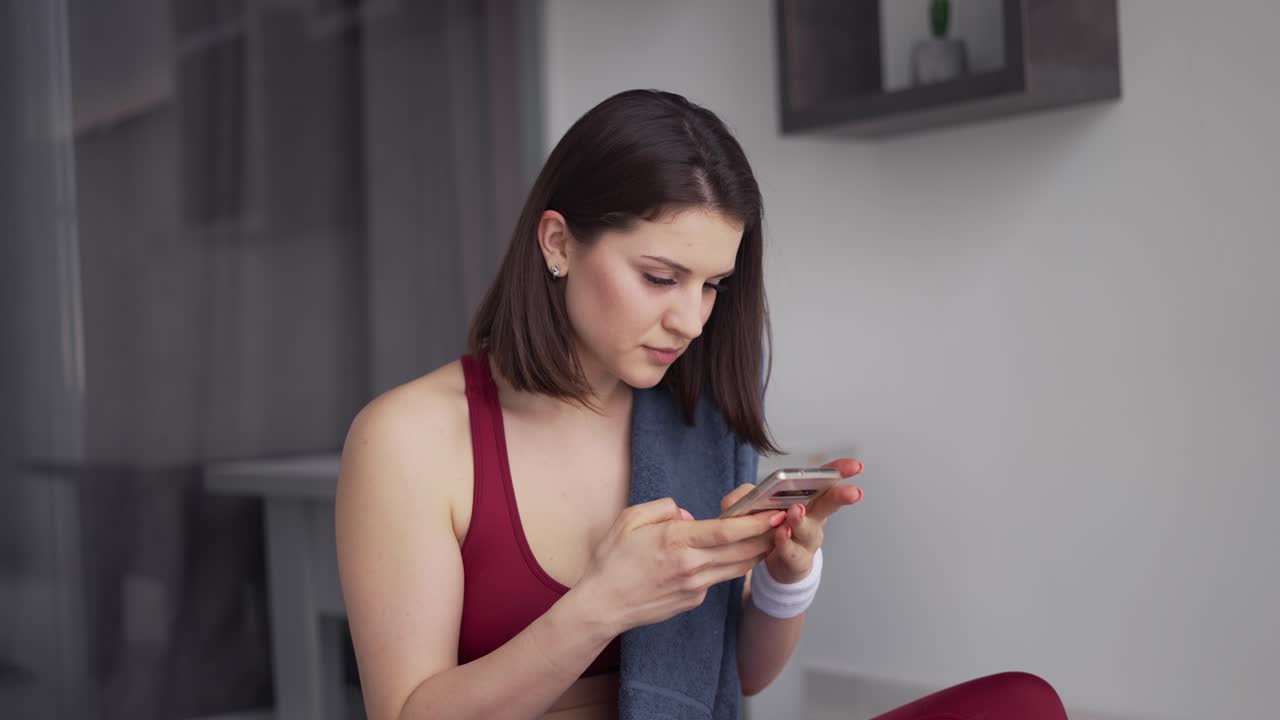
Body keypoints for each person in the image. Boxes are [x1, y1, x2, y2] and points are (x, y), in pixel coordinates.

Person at [335, 89, 1068, 720]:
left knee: (1022, 702)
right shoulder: (409, 440)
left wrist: (786, 577)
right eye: (661, 277)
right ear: (558, 243)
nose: (692, 320)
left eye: (712, 285)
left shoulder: (692, 418)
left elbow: (735, 677)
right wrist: (601, 606)